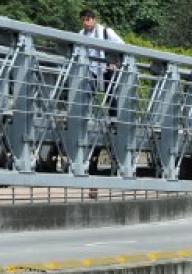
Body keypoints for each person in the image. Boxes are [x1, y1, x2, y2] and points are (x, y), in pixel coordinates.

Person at [79, 8, 123, 198]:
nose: (86, 22)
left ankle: (114, 118)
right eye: (83, 19)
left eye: (88, 19)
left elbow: (122, 46)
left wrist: (115, 62)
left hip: (105, 69)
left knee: (111, 95)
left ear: (94, 19)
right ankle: (86, 116)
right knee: (86, 94)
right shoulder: (80, 35)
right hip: (90, 71)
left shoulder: (106, 32)